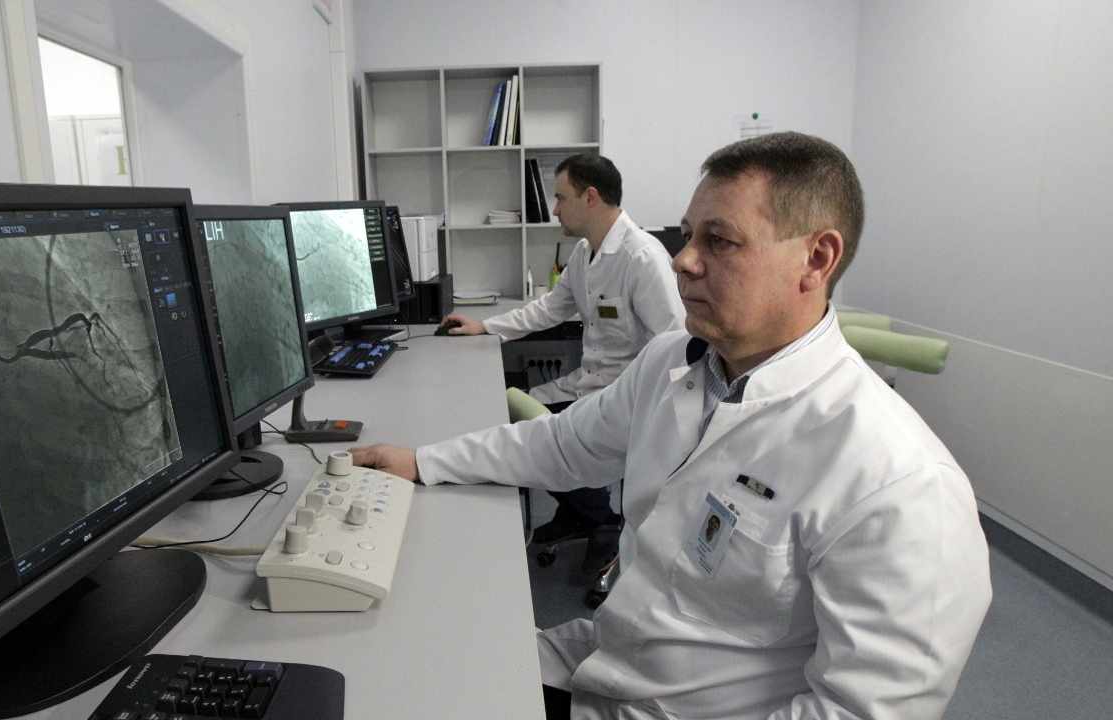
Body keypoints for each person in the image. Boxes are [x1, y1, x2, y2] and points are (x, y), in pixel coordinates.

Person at [352, 131, 992, 720]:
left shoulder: (901, 483)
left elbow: (860, 711)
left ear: (816, 259)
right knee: (401, 676)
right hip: (603, 666)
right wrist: (424, 461)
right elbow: (562, 445)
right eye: (688, 236)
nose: (682, 260)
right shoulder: (673, 362)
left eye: (720, 240)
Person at [438, 153, 685, 565]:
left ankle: (601, 519)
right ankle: (584, 512)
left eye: (560, 198)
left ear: (590, 197)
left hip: (626, 400)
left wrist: (655, 426)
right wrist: (485, 326)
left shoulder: (641, 257)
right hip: (588, 385)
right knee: (514, 411)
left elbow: (675, 345)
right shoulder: (586, 252)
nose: (554, 210)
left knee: (535, 436)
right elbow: (549, 309)